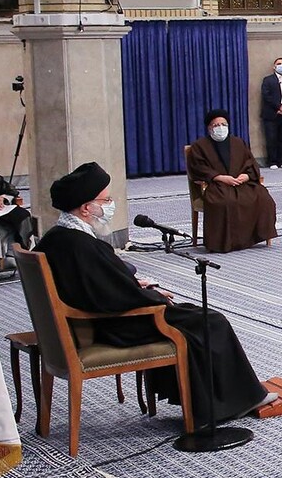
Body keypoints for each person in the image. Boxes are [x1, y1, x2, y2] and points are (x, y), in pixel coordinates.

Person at [37, 162, 268, 426]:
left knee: (192, 315)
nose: (110, 205)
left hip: (91, 320)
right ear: (86, 208)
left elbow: (99, 284)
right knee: (211, 321)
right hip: (113, 324)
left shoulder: (57, 237)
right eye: (106, 200)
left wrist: (136, 284)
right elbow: (110, 296)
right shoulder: (81, 245)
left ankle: (206, 400)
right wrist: (154, 296)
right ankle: (230, 403)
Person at [187, 109, 278, 251]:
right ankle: (225, 242)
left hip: (241, 183)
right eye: (216, 125)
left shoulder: (238, 143)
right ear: (209, 128)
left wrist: (246, 176)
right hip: (217, 185)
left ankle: (252, 238)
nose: (220, 128)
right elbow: (198, 168)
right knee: (225, 202)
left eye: (223, 124)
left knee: (263, 198)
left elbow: (251, 163)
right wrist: (220, 177)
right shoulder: (199, 146)